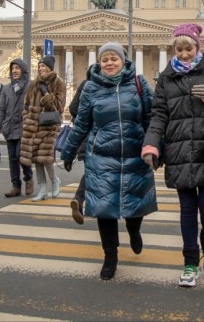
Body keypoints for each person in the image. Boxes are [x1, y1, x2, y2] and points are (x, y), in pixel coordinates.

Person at [141, 24, 204, 288]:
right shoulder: (166, 79)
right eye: (179, 49)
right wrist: (151, 145)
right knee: (187, 211)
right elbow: (159, 116)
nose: (183, 54)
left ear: (197, 48)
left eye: (188, 49)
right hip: (179, 153)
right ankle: (190, 263)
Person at [61, 42, 157, 281]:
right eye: (105, 59)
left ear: (123, 60)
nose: (109, 63)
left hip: (135, 153)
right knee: (105, 210)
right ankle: (110, 256)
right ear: (99, 63)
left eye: (114, 58)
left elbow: (151, 117)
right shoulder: (91, 88)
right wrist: (68, 151)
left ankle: (134, 231)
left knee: (135, 203)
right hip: (101, 156)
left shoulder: (139, 83)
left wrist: (156, 147)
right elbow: (82, 123)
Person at [20, 55, 66, 201]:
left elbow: (59, 107)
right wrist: (26, 117)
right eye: (39, 66)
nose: (40, 68)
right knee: (36, 158)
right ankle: (42, 189)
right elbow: (26, 103)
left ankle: (54, 181)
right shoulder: (34, 83)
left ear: (49, 68)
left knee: (45, 158)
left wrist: (46, 94)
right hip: (33, 126)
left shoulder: (58, 83)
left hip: (49, 125)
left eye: (43, 66)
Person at [0, 59, 34, 197]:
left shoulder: (30, 86)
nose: (14, 71)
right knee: (12, 158)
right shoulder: (7, 88)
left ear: (23, 70)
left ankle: (28, 178)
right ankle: (15, 186)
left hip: (24, 126)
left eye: (17, 68)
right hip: (9, 127)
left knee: (20, 156)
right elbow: (0, 109)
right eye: (13, 68)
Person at [68, 65, 93, 224]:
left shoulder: (84, 84)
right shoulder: (102, 87)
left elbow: (72, 108)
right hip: (100, 137)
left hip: (85, 137)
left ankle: (79, 197)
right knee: (99, 173)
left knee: (91, 172)